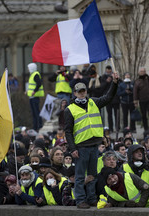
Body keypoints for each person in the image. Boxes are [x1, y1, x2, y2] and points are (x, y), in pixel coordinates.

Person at [64, 71, 119, 209]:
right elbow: (68, 131)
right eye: (79, 92)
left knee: (93, 175)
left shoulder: (93, 102)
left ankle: (91, 198)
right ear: (75, 93)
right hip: (81, 147)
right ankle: (80, 200)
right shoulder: (70, 109)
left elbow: (108, 97)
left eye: (84, 91)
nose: (82, 93)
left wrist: (114, 83)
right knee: (80, 176)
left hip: (94, 145)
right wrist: (73, 149)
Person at [101, 65, 120, 133]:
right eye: (107, 69)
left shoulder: (114, 76)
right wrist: (107, 82)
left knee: (116, 114)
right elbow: (101, 87)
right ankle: (111, 128)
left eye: (110, 69)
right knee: (109, 115)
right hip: (108, 99)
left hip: (116, 98)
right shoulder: (103, 77)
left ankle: (117, 128)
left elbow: (119, 84)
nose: (108, 71)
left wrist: (116, 78)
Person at [27, 63, 44, 132]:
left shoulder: (35, 74)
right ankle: (35, 127)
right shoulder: (33, 75)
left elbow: (39, 83)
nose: (28, 70)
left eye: (28, 68)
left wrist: (34, 91)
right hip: (32, 97)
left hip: (34, 97)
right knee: (34, 112)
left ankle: (39, 126)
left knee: (36, 112)